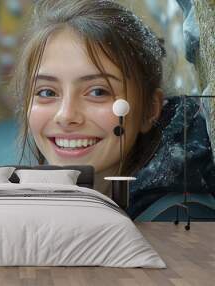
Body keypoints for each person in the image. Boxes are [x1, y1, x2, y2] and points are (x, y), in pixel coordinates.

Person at [11, 0, 215, 219]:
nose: (66, 115)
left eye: (98, 92)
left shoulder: (178, 222)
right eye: (47, 93)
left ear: (150, 109)